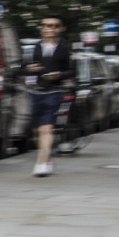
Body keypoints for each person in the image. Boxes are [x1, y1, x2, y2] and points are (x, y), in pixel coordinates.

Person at [26, 15, 72, 177]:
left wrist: (59, 74)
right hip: (34, 91)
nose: (50, 29)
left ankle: (42, 163)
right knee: (36, 130)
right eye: (46, 26)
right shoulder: (35, 46)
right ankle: (48, 157)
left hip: (53, 91)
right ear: (42, 28)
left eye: (54, 26)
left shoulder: (65, 47)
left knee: (47, 128)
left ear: (61, 28)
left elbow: (71, 71)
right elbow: (20, 68)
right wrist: (29, 69)